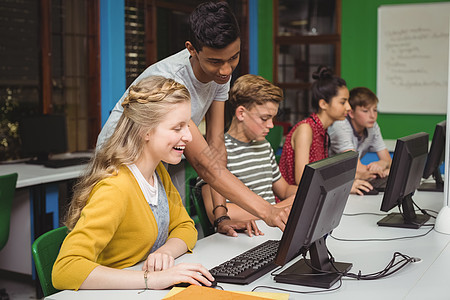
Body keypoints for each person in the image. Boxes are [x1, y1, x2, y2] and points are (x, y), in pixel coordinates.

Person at [97, 1, 289, 236]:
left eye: (234, 58)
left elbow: (215, 146)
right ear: (192, 49)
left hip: (164, 154)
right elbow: (203, 164)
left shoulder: (220, 74)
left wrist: (221, 217)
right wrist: (267, 211)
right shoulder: (170, 81)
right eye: (215, 61)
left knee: (173, 231)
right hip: (121, 160)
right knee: (134, 238)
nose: (226, 70)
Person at [52, 76, 215, 291]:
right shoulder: (115, 188)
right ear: (145, 131)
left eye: (187, 126)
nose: (189, 136)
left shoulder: (157, 172)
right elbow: (65, 269)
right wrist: (153, 280)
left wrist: (165, 251)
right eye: (177, 128)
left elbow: (185, 227)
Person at [198, 74, 297, 225]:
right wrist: (274, 210)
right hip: (243, 234)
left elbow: (284, 190)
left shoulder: (264, 146)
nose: (271, 125)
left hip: (272, 226)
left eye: (272, 118)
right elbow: (217, 214)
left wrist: (305, 193)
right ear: (241, 113)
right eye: (265, 118)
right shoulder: (216, 152)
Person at [279, 66, 372, 194]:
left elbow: (320, 176)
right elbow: (302, 180)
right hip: (292, 202)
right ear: (323, 104)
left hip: (312, 197)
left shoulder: (323, 131)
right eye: (343, 102)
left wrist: (355, 178)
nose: (349, 107)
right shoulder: (306, 129)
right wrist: (344, 187)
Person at [328, 87, 391, 182]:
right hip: (332, 181)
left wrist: (382, 164)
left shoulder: (372, 125)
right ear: (351, 113)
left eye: (375, 110)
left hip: (349, 179)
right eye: (365, 111)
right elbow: (357, 168)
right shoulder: (340, 125)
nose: (372, 116)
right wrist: (382, 169)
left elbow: (388, 161)